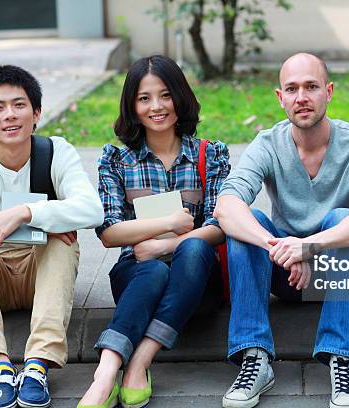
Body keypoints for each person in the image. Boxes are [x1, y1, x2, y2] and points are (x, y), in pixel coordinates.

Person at [215, 53, 349, 408]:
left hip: (342, 273)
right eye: (292, 89)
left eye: (311, 87)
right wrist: (283, 248)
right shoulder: (268, 144)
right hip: (285, 274)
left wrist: (308, 248)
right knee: (248, 223)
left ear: (328, 91)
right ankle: (254, 357)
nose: (302, 97)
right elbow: (226, 205)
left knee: (345, 218)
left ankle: (343, 360)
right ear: (279, 98)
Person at [0, 65, 104, 408]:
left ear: (37, 113)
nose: (10, 115)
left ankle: (37, 365)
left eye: (19, 105)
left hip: (40, 275)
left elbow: (93, 211)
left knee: (64, 240)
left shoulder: (57, 152)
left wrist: (30, 213)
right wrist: (18, 221)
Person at [78, 55, 230, 408]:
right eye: (144, 98)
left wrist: (167, 244)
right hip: (137, 276)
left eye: (165, 95)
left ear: (180, 97)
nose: (156, 107)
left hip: (198, 282)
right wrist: (166, 224)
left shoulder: (212, 154)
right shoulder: (117, 160)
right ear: (132, 105)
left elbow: (219, 226)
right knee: (151, 271)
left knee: (190, 251)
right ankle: (107, 373)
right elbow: (109, 232)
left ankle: (139, 362)